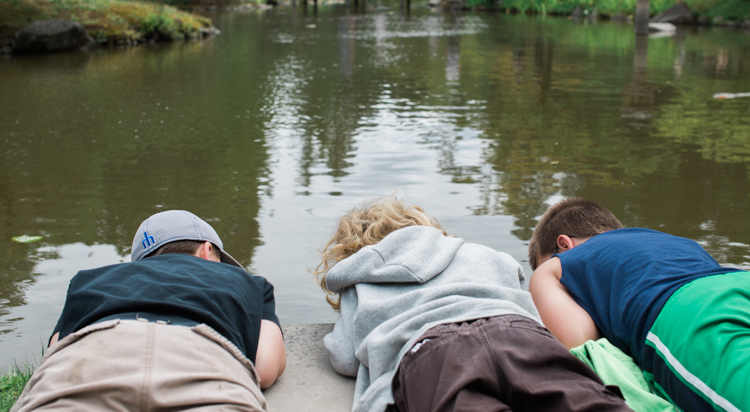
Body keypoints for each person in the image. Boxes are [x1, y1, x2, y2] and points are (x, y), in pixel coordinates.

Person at [315, 196, 632, 412]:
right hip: (519, 333)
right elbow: (522, 297)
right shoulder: (478, 252)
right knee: (584, 399)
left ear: (350, 251)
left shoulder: (361, 280)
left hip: (435, 352)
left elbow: (345, 357)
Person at [12, 210, 286, 412]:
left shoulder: (89, 280)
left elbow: (55, 348)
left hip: (89, 359)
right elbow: (264, 369)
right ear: (207, 250)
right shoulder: (248, 283)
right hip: (199, 360)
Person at [528, 197, 750, 412]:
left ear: (564, 244)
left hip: (689, 313)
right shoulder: (671, 240)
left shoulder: (557, 266)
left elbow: (582, 348)